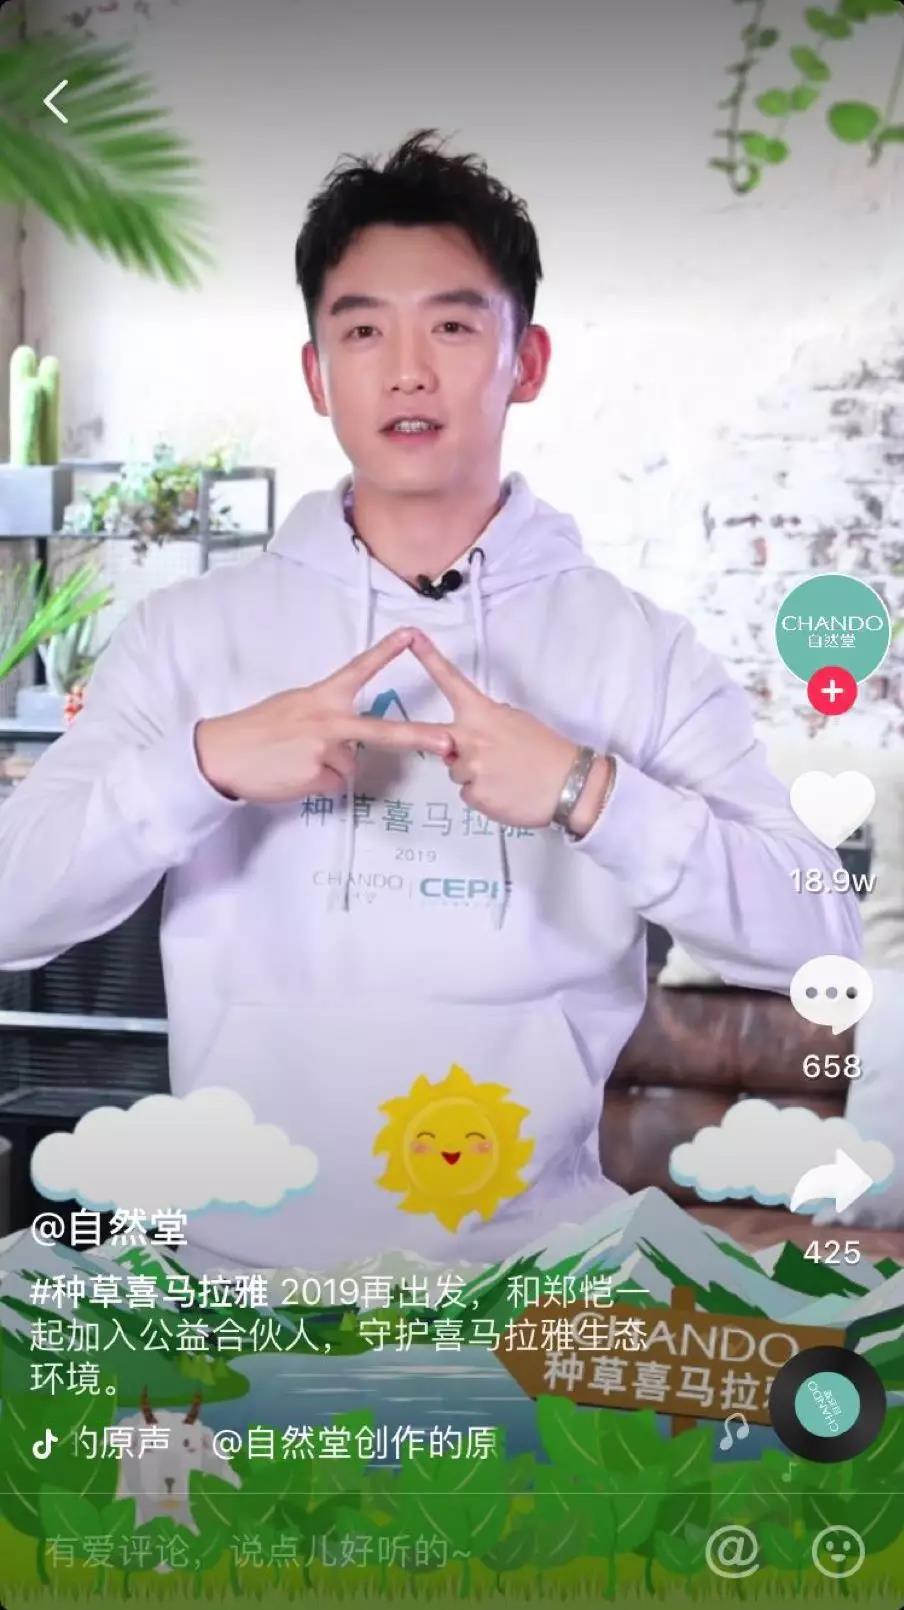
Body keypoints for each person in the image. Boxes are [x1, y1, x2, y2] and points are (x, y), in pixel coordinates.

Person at [0, 130, 860, 1275]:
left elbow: (819, 935)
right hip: (236, 1283)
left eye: (452, 326)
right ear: (316, 373)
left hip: (540, 1287)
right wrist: (200, 764)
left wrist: (587, 790)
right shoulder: (186, 637)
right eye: (362, 330)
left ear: (527, 359)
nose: (406, 370)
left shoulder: (640, 651)